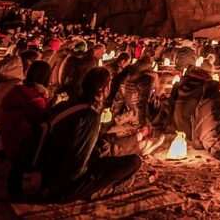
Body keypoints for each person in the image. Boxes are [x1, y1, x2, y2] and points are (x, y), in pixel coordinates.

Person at [38, 68, 143, 202]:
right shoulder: (90, 115)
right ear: (104, 89)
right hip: (65, 185)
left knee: (104, 148)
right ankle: (96, 191)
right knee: (134, 161)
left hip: (46, 170)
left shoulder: (66, 104)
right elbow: (77, 164)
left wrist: (97, 147)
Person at [0, 60, 52, 158]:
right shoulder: (34, 97)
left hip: (7, 138)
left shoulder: (18, 89)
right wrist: (51, 101)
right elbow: (43, 117)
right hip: (20, 145)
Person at [167, 67, 210, 140]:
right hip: (192, 130)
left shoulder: (179, 85)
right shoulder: (204, 87)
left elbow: (170, 105)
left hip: (177, 124)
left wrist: (169, 124)